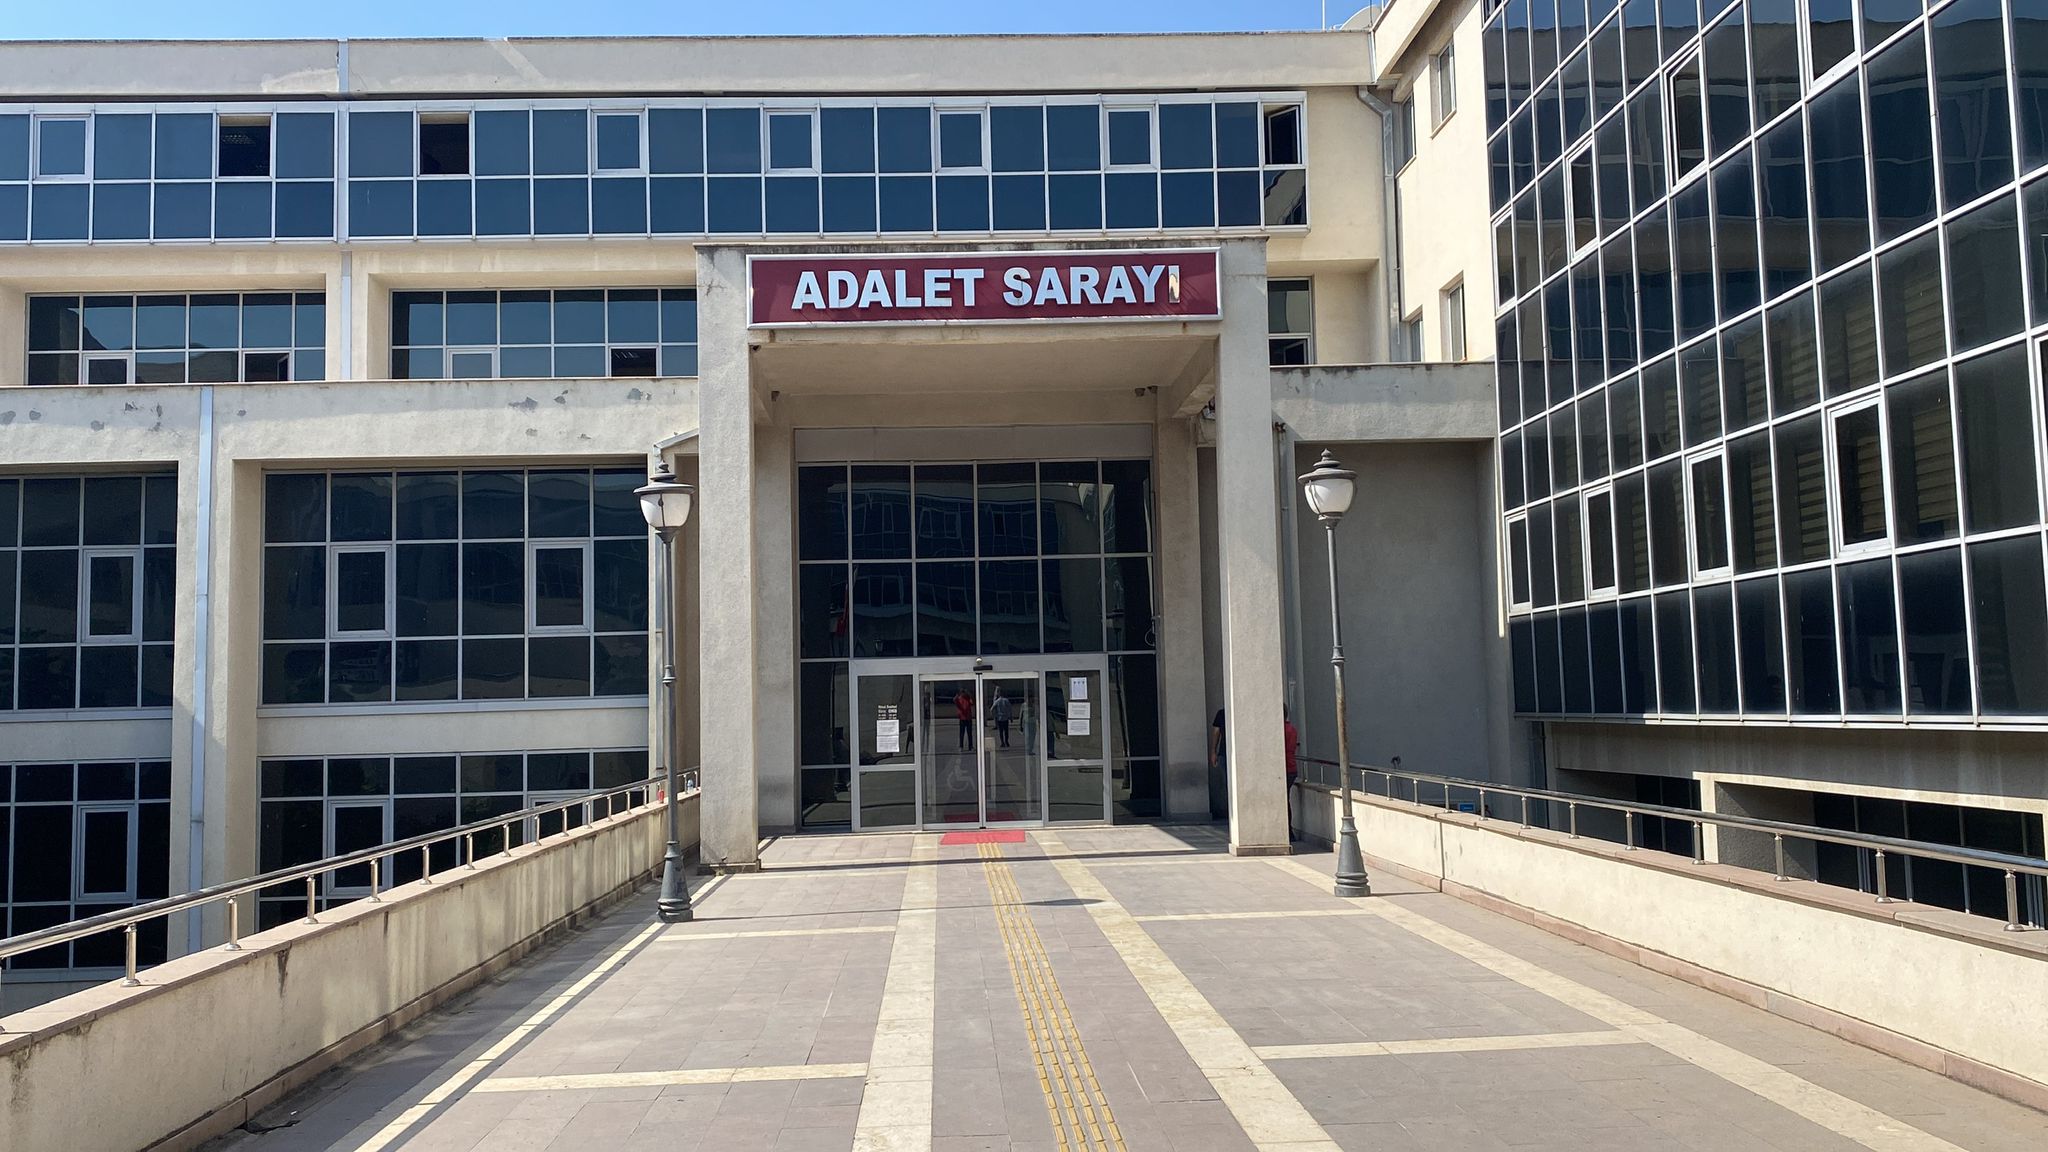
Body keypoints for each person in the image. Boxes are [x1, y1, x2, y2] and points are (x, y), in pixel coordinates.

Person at [1284, 706, 1301, 843]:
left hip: (1284, 768)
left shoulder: (1281, 730)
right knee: (1286, 800)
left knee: (1283, 801)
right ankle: (1289, 831)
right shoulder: (1292, 729)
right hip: (1291, 768)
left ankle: (1287, 831)